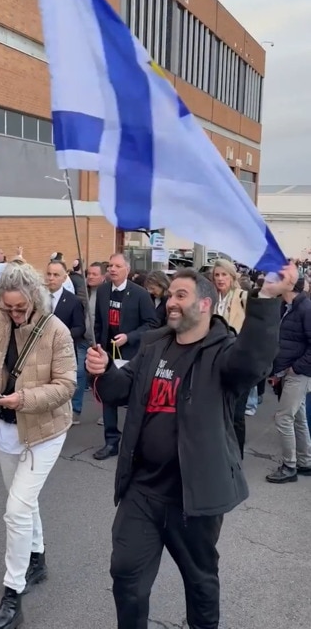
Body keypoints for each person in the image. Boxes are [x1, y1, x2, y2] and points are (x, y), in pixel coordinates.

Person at [86, 266, 293, 629]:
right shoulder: (153, 346)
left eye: (181, 295)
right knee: (126, 576)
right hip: (143, 490)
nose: (171, 302)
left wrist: (268, 299)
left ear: (206, 304)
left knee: (200, 581)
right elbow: (121, 389)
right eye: (170, 296)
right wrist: (103, 370)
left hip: (193, 499)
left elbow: (252, 362)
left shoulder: (223, 351)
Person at [0, 262, 77, 629]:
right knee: (23, 501)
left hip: (45, 431)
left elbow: (66, 385)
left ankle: (12, 594)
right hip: (6, 427)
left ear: (35, 300)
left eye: (20, 308)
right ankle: (38, 559)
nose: (14, 314)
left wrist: (24, 399)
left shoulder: (56, 332)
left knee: (16, 508)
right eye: (7, 307)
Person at [93, 253, 158, 460]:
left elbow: (152, 324)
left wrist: (129, 337)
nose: (112, 269)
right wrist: (97, 345)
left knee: (135, 400)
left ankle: (135, 444)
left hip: (131, 355)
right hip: (108, 355)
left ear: (127, 270)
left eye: (117, 266)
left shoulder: (139, 294)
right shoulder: (103, 291)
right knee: (108, 398)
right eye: (110, 265)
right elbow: (99, 323)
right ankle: (111, 442)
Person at [266, 277, 311, 483]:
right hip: (287, 371)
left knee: (283, 418)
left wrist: (296, 368)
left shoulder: (305, 308)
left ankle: (289, 465)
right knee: (298, 417)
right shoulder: (285, 306)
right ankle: (305, 461)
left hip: (297, 373)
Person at [212, 258, 249, 457]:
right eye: (217, 275)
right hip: (215, 362)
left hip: (238, 362)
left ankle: (236, 456)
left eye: (224, 274)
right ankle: (221, 454)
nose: (220, 279)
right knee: (218, 412)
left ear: (232, 276)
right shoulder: (211, 299)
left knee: (236, 414)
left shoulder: (243, 296)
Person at [72, 262, 105, 424]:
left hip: (101, 343)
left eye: (94, 274)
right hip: (84, 341)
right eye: (88, 274)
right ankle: (75, 411)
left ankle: (107, 414)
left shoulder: (107, 294)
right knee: (78, 374)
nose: (90, 277)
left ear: (103, 277)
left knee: (104, 379)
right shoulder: (82, 292)